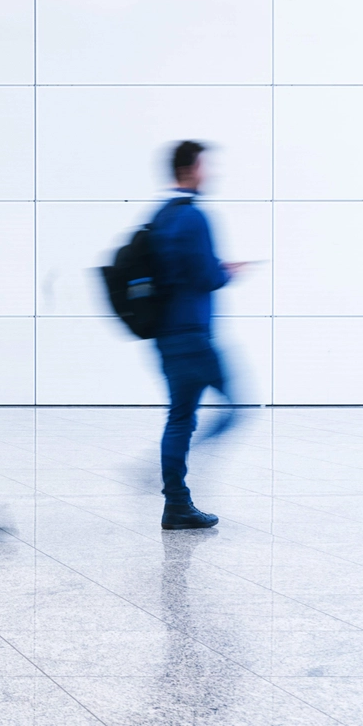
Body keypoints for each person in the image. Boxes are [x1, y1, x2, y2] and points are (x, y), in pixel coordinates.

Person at [149, 140, 243, 530]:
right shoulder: (194, 217)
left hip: (166, 334)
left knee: (180, 417)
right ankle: (161, 481)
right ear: (189, 170)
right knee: (236, 406)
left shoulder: (160, 216)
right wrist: (226, 271)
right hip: (193, 335)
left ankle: (176, 503)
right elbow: (207, 276)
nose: (209, 173)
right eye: (205, 166)